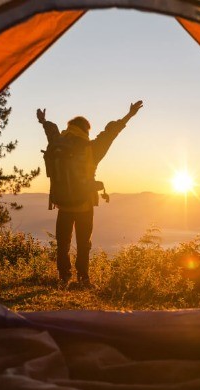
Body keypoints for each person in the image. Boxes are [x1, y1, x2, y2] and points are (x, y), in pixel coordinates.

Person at [37, 101, 143, 287]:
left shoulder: (57, 143)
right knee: (83, 243)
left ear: (69, 128)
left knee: (63, 242)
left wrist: (43, 121)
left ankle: (63, 277)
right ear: (86, 130)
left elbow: (51, 130)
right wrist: (129, 115)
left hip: (62, 203)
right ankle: (83, 278)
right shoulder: (92, 148)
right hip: (84, 204)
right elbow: (111, 133)